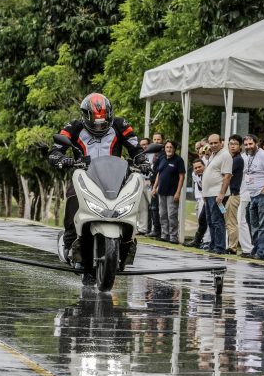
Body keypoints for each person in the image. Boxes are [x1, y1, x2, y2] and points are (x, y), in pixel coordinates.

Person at [49, 93, 147, 269]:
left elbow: (136, 148)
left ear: (109, 115)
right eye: (95, 123)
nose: (99, 126)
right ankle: (70, 243)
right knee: (72, 199)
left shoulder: (121, 125)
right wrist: (62, 159)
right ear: (86, 116)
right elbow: (55, 151)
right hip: (84, 175)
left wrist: (143, 161)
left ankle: (127, 242)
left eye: (103, 122)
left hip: (115, 178)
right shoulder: (73, 127)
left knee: (130, 199)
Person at [243, 134, 264, 260]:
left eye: (250, 144)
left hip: (263, 194)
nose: (248, 146)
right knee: (253, 224)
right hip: (252, 195)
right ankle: (256, 249)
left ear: (257, 143)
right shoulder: (249, 156)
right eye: (246, 144)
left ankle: (262, 253)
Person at [202, 134, 233, 254]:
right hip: (209, 194)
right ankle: (214, 244)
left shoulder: (225, 155)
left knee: (217, 220)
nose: (213, 145)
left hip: (217, 194)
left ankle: (220, 247)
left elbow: (227, 176)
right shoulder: (213, 155)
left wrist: (221, 194)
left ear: (221, 143)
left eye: (216, 143)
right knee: (210, 220)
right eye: (211, 143)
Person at [152, 140, 185, 244]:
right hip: (161, 191)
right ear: (165, 148)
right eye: (167, 147)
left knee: (172, 215)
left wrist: (178, 192)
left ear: (174, 149)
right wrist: (154, 187)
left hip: (172, 192)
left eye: (171, 147)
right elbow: (159, 174)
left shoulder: (178, 160)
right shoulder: (162, 158)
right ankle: (164, 235)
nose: (169, 149)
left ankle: (173, 237)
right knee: (162, 214)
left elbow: (181, 177)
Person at [225, 134, 245, 254]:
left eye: (236, 144)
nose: (233, 146)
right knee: (226, 220)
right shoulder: (230, 158)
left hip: (232, 195)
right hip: (226, 195)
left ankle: (232, 247)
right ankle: (227, 245)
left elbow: (225, 173)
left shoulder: (237, 160)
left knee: (231, 222)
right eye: (231, 144)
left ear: (240, 146)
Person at [184, 159, 209, 248]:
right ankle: (200, 241)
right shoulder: (195, 175)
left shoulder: (208, 174)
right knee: (202, 220)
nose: (198, 169)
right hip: (203, 199)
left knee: (215, 221)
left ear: (204, 166)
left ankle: (209, 242)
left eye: (199, 167)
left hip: (214, 199)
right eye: (196, 168)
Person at [147, 132, 165, 238]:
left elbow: (160, 171)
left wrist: (156, 186)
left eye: (158, 139)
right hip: (152, 182)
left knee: (160, 208)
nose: (157, 141)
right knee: (153, 207)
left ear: (162, 140)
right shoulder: (151, 153)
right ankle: (156, 229)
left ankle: (161, 231)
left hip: (160, 184)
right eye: (155, 139)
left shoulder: (164, 153)